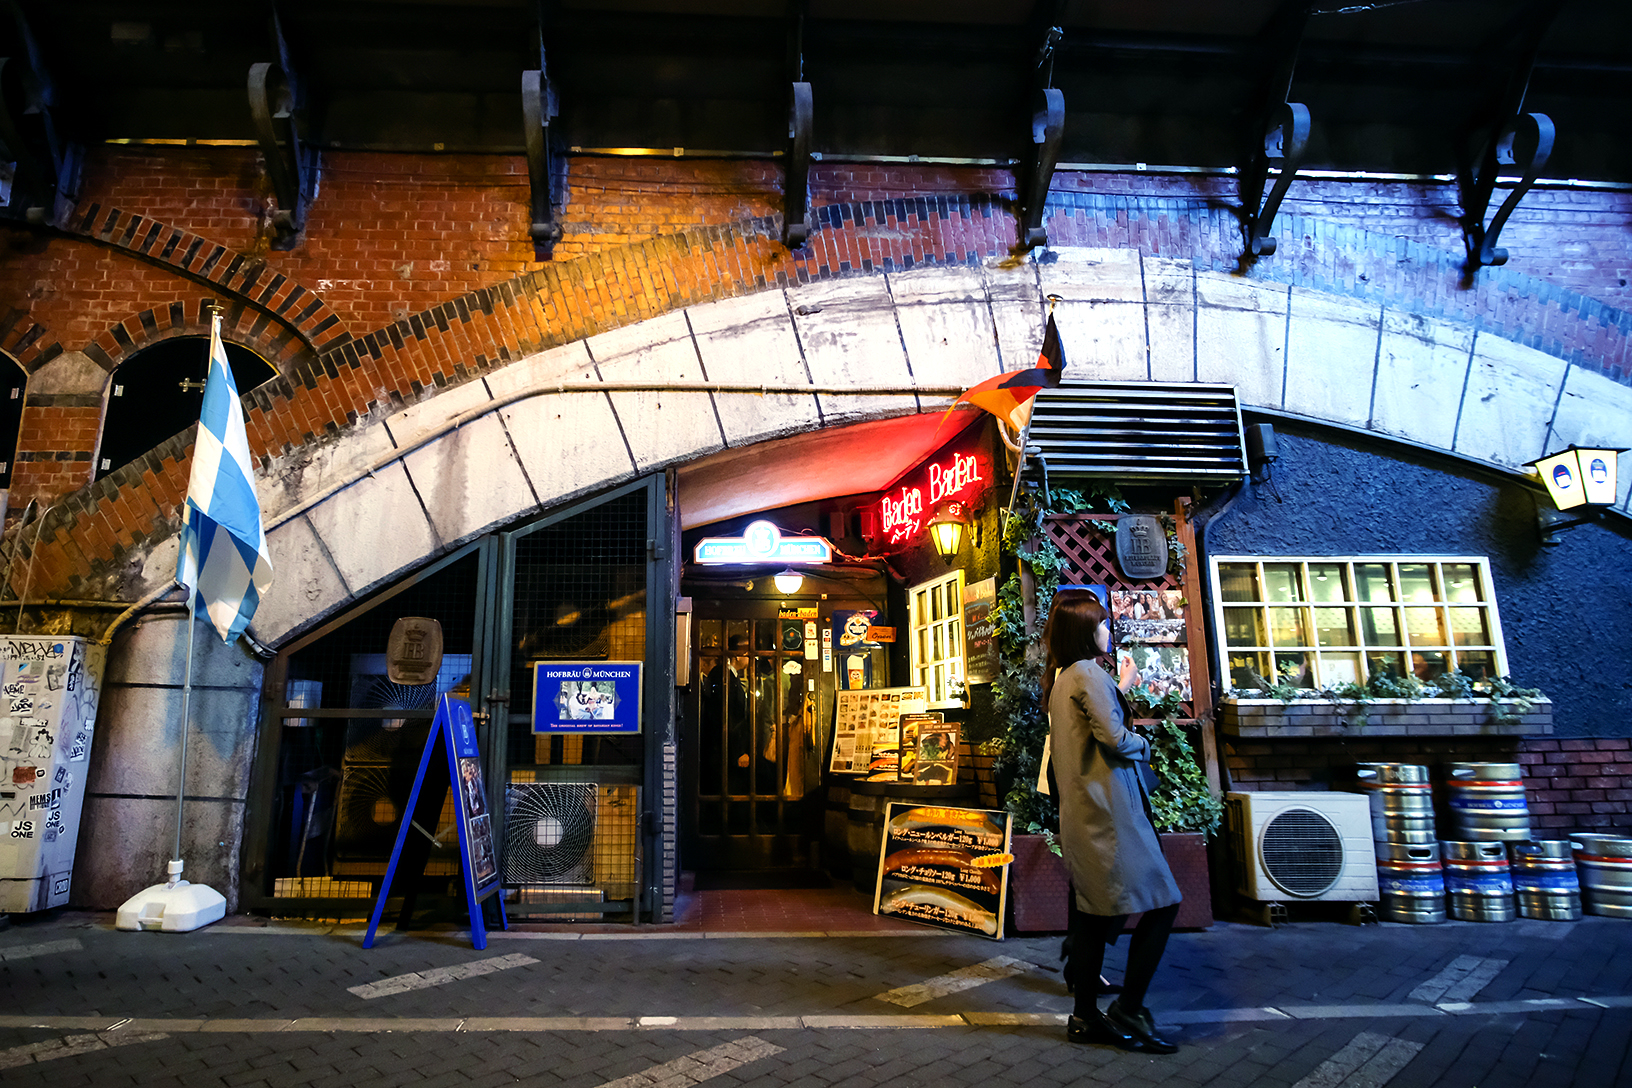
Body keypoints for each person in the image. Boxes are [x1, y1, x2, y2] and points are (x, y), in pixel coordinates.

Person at [1044, 589, 1183, 1054]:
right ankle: (1129, 1006)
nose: (1108, 630)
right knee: (1163, 903)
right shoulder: (1088, 674)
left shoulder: (1066, 677)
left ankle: (1085, 1017)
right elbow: (1115, 739)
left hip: (1084, 812)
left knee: (1090, 919)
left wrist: (1117, 690)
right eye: (1102, 624)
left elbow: (1092, 726)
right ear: (1085, 630)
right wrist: (1147, 746)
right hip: (1112, 813)